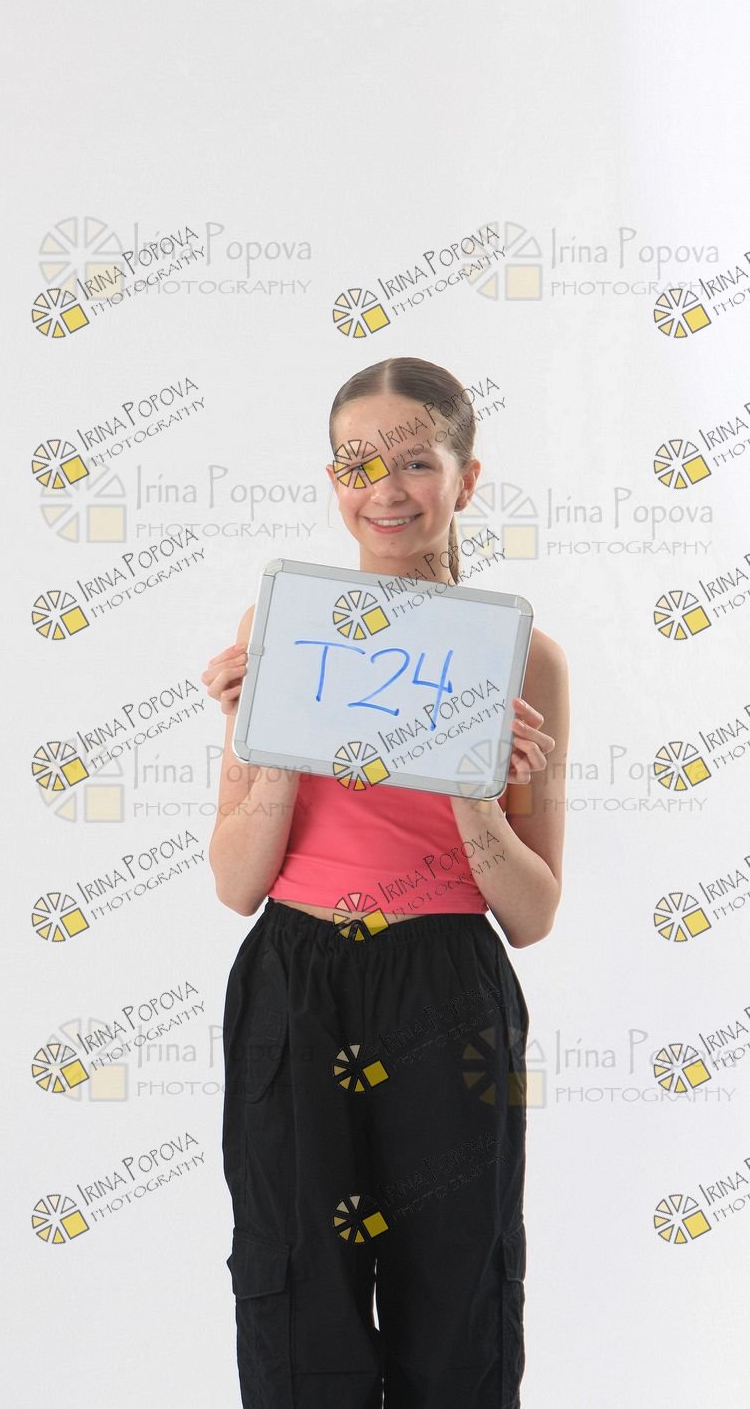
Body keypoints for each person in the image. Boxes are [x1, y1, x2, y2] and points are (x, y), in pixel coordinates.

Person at [202, 356, 569, 1409]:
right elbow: (235, 883)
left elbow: (534, 914)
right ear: (334, 481)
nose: (387, 489)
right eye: (359, 464)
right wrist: (266, 738)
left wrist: (474, 793)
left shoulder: (525, 657)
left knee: (459, 1287)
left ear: (466, 476)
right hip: (296, 977)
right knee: (292, 1281)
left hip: (445, 983)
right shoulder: (279, 627)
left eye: (416, 461)